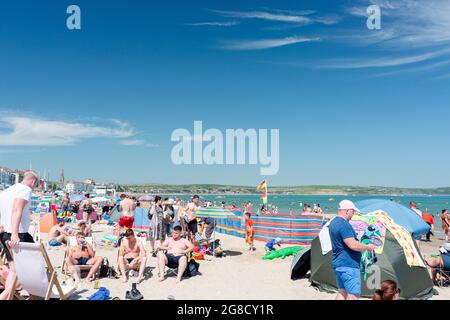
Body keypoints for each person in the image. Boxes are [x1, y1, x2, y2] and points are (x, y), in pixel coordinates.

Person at [0, 171, 39, 300]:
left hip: (5, 233)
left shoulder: (6, 191)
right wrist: (15, 234)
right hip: (17, 235)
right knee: (30, 265)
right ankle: (4, 296)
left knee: (13, 270)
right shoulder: (25, 189)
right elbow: (17, 210)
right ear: (33, 182)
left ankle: (8, 297)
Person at [329, 200, 375, 300]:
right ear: (347, 211)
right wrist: (368, 247)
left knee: (342, 292)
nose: (353, 214)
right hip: (348, 265)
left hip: (339, 263)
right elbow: (352, 245)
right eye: (352, 211)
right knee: (354, 295)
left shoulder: (333, 222)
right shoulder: (344, 225)